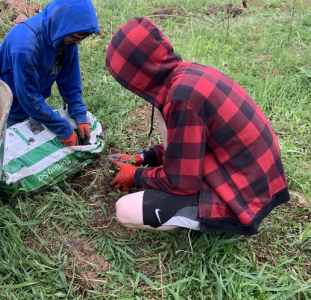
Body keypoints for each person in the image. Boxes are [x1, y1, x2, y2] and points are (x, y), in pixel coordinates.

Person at [105, 17, 290, 235]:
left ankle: (217, 220)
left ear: (139, 70)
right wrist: (145, 158)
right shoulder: (186, 76)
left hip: (243, 197)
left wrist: (136, 176)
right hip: (256, 182)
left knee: (125, 210)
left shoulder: (182, 100)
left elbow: (181, 182)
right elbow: (189, 147)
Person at [0, 0, 100, 146]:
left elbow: (70, 81)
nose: (78, 42)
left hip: (28, 104)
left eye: (81, 38)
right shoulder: (26, 46)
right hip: (2, 107)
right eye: (75, 37)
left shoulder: (67, 39)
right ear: (61, 25)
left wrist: (79, 115)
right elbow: (29, 97)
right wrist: (64, 128)